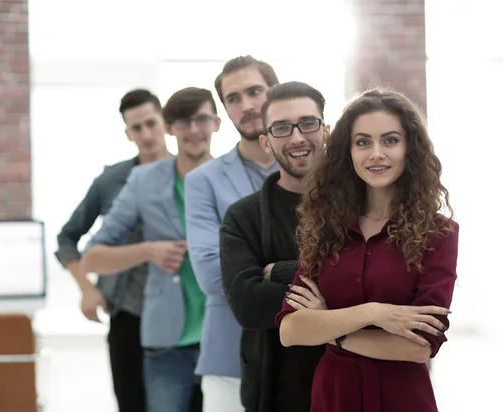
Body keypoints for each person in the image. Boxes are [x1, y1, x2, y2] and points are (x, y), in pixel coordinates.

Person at [276, 88, 459, 412]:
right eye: (363, 142)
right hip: (334, 396)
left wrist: (331, 329)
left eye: (390, 140)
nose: (376, 153)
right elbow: (290, 330)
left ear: (409, 149)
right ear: (347, 152)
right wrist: (374, 313)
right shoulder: (323, 226)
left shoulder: (438, 233)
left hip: (402, 398)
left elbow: (419, 347)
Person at [81, 87, 220, 412]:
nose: (194, 130)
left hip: (224, 335)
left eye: (202, 120)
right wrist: (149, 251)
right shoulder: (144, 180)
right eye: (184, 122)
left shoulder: (233, 176)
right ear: (169, 127)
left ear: (216, 124)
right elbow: (92, 257)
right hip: (166, 341)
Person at [55, 89, 170, 412]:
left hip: (182, 312)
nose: (146, 134)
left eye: (151, 123)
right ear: (127, 133)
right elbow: (67, 238)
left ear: (165, 123)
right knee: (132, 402)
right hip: (126, 313)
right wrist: (86, 288)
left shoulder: (191, 175)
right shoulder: (112, 180)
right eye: (137, 128)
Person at [219, 81, 330, 412]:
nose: (297, 137)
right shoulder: (243, 217)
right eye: (282, 128)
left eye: (307, 123)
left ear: (326, 130)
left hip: (354, 384)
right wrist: (341, 293)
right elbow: (248, 305)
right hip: (277, 392)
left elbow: (375, 284)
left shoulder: (361, 206)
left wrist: (282, 271)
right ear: (266, 141)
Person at [184, 55, 279, 411]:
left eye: (255, 91)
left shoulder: (317, 172)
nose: (247, 105)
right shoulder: (203, 181)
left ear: (276, 92)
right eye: (234, 98)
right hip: (230, 354)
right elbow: (211, 275)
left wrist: (257, 267)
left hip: (311, 348)